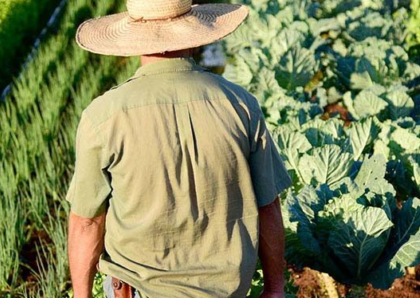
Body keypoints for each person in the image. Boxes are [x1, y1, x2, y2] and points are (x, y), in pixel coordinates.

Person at [66, 0, 291, 297]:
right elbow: (268, 205)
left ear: (133, 36)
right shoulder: (239, 104)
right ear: (193, 29)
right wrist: (275, 288)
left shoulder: (103, 115)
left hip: (138, 289)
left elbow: (87, 221)